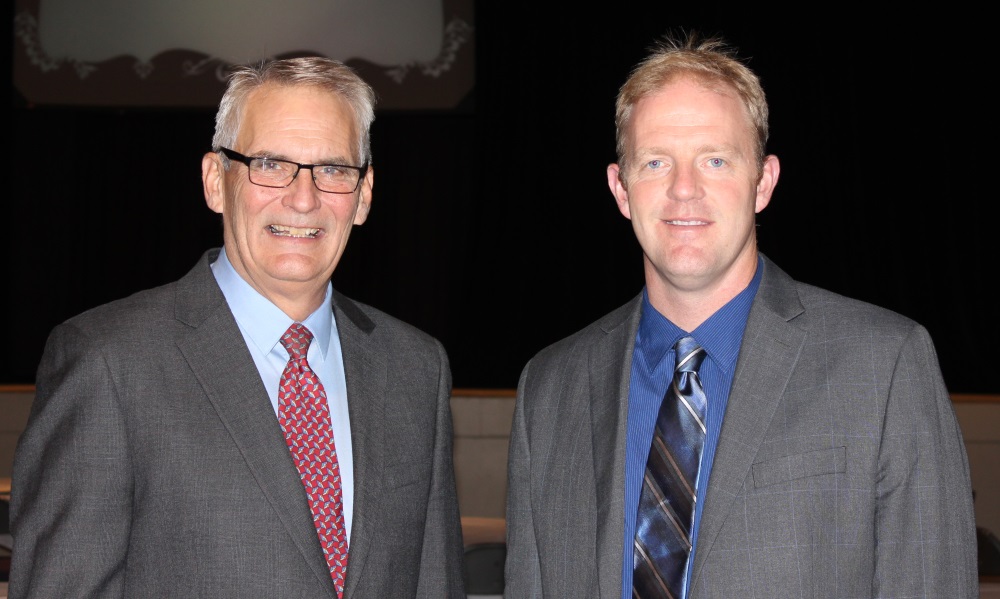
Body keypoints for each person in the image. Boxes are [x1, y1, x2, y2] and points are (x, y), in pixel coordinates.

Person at [503, 31, 979, 598]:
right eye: (655, 162)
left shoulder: (884, 366)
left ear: (763, 183)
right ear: (621, 189)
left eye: (715, 160)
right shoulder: (549, 388)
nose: (684, 189)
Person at [9, 57, 466, 598]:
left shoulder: (416, 369)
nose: (303, 198)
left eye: (333, 169)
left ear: (363, 195)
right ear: (214, 181)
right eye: (270, 163)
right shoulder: (109, 362)